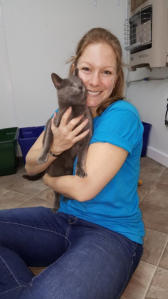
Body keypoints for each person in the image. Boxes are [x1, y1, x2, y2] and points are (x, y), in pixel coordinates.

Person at [0, 27, 145, 299]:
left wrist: (47, 177)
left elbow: (83, 188)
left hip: (111, 234)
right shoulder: (64, 112)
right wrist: (55, 147)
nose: (94, 81)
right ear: (74, 69)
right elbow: (31, 164)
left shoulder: (122, 114)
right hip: (62, 220)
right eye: (87, 69)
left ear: (116, 78)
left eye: (107, 72)